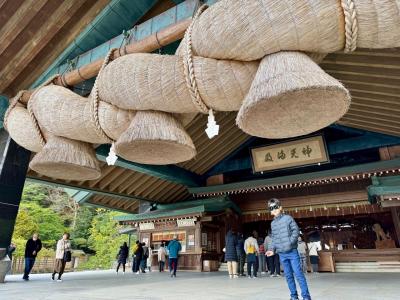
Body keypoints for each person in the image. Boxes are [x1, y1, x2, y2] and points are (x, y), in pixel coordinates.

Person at [266, 198, 311, 300]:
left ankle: (306, 297)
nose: (274, 210)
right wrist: (271, 249)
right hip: (282, 254)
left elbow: (295, 231)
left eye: (275, 207)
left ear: (280, 207)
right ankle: (294, 296)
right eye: (271, 208)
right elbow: (274, 238)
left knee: (299, 275)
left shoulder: (288, 218)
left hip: (292, 252)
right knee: (288, 276)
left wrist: (290, 242)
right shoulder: (273, 224)